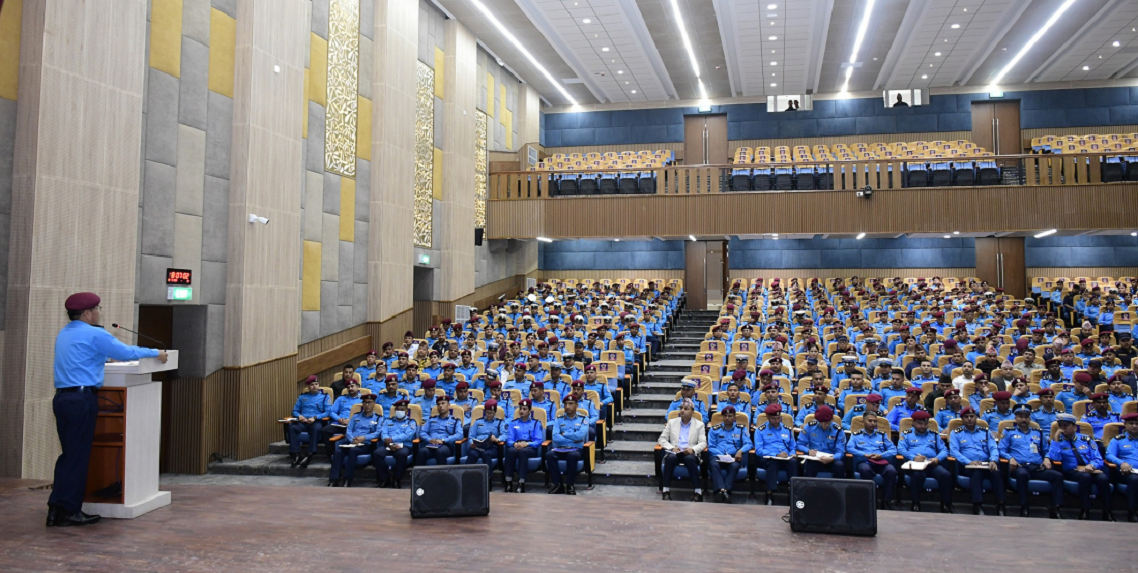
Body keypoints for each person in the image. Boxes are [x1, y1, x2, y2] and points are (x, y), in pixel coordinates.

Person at [48, 292, 167, 527]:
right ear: (87, 313)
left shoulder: (65, 333)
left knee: (68, 456)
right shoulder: (94, 333)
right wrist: (156, 352)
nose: (98, 312)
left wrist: (102, 361)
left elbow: (79, 359)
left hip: (62, 399)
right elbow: (127, 353)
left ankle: (55, 509)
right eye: (97, 309)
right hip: (81, 400)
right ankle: (70, 511)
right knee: (78, 458)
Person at [999, 404, 1064, 518]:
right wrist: (1010, 458)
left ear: (1030, 418)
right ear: (1015, 418)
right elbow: (1001, 450)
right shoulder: (1009, 432)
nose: (1023, 419)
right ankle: (1024, 507)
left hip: (1037, 467)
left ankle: (1055, 508)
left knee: (1058, 476)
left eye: (1026, 417)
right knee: (1022, 475)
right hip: (1019, 467)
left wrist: (1047, 458)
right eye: (1020, 416)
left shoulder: (1038, 432)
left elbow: (1046, 450)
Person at [1048, 413, 1113, 521]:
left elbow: (1098, 458)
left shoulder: (1086, 440)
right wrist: (1055, 439)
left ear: (1074, 427)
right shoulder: (1057, 442)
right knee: (1085, 477)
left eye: (1066, 425)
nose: (1063, 428)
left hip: (1090, 469)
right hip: (1072, 471)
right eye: (1060, 425)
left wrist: (1091, 465)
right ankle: (1085, 509)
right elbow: (1055, 458)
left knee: (1103, 479)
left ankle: (1107, 511)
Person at [948, 407, 1006, 516]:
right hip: (968, 466)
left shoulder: (986, 432)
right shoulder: (956, 433)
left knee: (996, 473)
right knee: (977, 473)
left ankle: (1000, 505)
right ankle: (977, 505)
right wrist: (968, 462)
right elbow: (954, 452)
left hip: (986, 464)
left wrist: (993, 460)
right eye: (966, 417)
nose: (969, 419)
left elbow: (993, 448)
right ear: (962, 419)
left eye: (972, 416)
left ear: (976, 418)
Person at [897, 410, 953, 513]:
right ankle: (915, 503)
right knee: (917, 476)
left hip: (931, 463)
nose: (923, 426)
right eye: (920, 423)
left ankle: (945, 504)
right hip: (916, 465)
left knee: (946, 475)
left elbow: (944, 450)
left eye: (925, 423)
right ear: (913, 423)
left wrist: (937, 458)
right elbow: (900, 449)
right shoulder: (906, 434)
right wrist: (913, 457)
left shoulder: (934, 435)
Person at [847, 411, 899, 510]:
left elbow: (893, 450)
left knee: (891, 471)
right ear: (863, 421)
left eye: (875, 421)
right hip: (865, 462)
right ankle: (871, 500)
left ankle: (886, 501)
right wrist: (864, 455)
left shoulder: (882, 435)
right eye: (870, 421)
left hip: (881, 461)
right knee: (865, 470)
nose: (873, 423)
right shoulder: (856, 435)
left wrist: (882, 455)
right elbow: (849, 448)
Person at [656, 399, 706, 502]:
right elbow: (662, 439)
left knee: (689, 459)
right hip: (675, 452)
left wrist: (693, 449)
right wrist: (671, 448)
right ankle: (666, 491)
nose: (682, 410)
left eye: (686, 409)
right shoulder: (672, 422)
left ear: (692, 412)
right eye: (681, 408)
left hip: (689, 453)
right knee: (670, 458)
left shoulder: (699, 425)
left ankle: (698, 492)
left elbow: (703, 443)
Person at [328, 393, 381, 488]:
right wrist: (352, 439)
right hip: (350, 442)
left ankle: (347, 479)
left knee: (353, 451)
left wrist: (364, 438)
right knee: (338, 452)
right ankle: (334, 479)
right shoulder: (355, 416)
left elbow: (377, 433)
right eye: (365, 403)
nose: (367, 405)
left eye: (369, 402)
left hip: (365, 445)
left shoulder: (378, 418)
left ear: (374, 404)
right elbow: (348, 430)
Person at [753, 404, 797, 506]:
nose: (777, 421)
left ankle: (793, 493)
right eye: (774, 418)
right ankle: (770, 493)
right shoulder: (760, 430)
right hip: (767, 458)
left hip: (785, 458)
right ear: (768, 417)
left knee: (794, 462)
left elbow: (793, 446)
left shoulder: (787, 429)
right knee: (773, 462)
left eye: (778, 418)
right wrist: (776, 455)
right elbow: (759, 450)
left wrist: (792, 454)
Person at [707, 405, 751, 503]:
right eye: (725, 416)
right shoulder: (714, 429)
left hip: (733, 457)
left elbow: (749, 444)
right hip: (717, 456)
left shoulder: (741, 429)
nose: (727, 418)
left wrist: (740, 451)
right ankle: (722, 490)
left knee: (735, 466)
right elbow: (711, 446)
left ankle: (726, 491)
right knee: (713, 464)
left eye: (730, 416)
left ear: (734, 417)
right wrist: (721, 455)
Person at [547, 394, 590, 495]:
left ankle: (570, 485)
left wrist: (564, 434)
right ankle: (558, 484)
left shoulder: (583, 419)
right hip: (561, 448)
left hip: (576, 450)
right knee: (549, 455)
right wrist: (572, 439)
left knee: (572, 456)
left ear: (576, 405)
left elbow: (580, 435)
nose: (568, 406)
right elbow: (555, 437)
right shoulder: (559, 419)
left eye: (571, 404)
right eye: (566, 404)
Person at [289, 375, 332, 468]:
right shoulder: (302, 397)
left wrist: (315, 417)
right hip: (303, 421)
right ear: (308, 387)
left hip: (316, 421)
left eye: (316, 384)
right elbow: (294, 411)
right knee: (292, 427)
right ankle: (296, 454)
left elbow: (328, 412)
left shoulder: (325, 396)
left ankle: (310, 454)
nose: (314, 386)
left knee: (316, 429)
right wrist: (300, 416)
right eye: (312, 384)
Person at [503, 399, 543, 493]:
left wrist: (527, 444)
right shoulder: (513, 423)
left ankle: (521, 482)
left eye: (524, 409)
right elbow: (509, 439)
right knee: (510, 451)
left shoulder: (536, 423)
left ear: (529, 411)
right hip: (516, 446)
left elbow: (538, 441)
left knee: (523, 451)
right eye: (520, 409)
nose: (522, 411)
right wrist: (514, 444)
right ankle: (508, 481)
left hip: (529, 448)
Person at [376, 399, 417, 489]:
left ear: (406, 411)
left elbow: (408, 435)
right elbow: (383, 433)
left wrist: (392, 439)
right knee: (377, 453)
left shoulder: (411, 422)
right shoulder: (388, 421)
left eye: (402, 410)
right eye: (398, 409)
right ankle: (385, 478)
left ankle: (397, 479)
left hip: (404, 445)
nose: (400, 411)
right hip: (388, 445)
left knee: (401, 454)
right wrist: (388, 442)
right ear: (395, 411)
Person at [1104, 412, 1138, 522]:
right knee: (1135, 480)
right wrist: (1121, 463)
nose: (1134, 426)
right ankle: (1132, 512)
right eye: (1131, 423)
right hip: (1126, 472)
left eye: (1137, 424)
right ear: (1125, 425)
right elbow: (1109, 455)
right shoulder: (1118, 440)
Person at [466, 399, 506, 490]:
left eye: (491, 413)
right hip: (478, 446)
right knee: (472, 454)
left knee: (486, 454)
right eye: (487, 412)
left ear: (495, 412)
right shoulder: (478, 422)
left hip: (491, 447)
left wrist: (497, 439)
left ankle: (488, 480)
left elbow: (505, 435)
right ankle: (467, 479)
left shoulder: (499, 422)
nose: (489, 415)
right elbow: (471, 436)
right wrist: (471, 443)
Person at [796, 405, 846, 479]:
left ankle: (838, 486)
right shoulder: (809, 427)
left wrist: (832, 458)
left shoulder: (838, 430)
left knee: (839, 465)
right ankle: (808, 485)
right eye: (821, 423)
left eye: (827, 423)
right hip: (815, 459)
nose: (824, 425)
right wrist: (808, 451)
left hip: (831, 459)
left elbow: (841, 451)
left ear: (832, 419)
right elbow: (799, 444)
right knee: (811, 465)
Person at [320, 379, 363, 461]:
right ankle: (331, 455)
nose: (350, 388)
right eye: (348, 387)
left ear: (358, 387)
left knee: (350, 433)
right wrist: (339, 419)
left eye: (352, 386)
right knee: (325, 430)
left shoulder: (363, 400)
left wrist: (350, 421)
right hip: (340, 423)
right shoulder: (341, 398)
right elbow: (331, 412)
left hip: (354, 424)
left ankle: (347, 455)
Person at [415, 395, 463, 467]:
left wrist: (444, 440)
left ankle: (440, 474)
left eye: (443, 403)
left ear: (448, 405)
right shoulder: (431, 419)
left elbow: (460, 435)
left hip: (446, 446)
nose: (440, 406)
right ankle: (420, 474)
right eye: (438, 404)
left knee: (440, 452)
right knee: (422, 452)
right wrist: (429, 439)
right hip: (431, 445)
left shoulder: (455, 420)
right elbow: (422, 432)